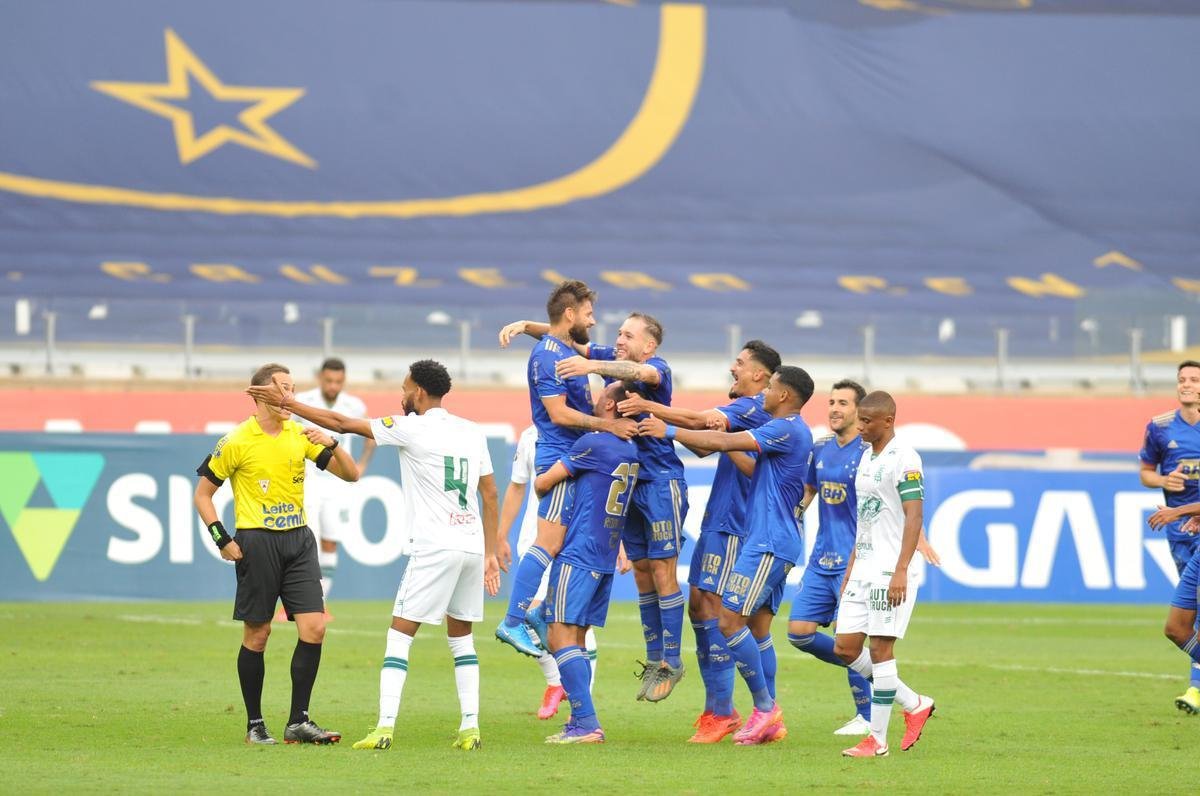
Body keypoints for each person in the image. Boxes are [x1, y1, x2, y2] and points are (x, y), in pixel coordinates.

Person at [248, 360, 501, 752]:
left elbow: (342, 423)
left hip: (435, 545)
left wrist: (288, 404)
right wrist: (490, 550)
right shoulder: (472, 431)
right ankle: (470, 728)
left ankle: (384, 728)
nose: (402, 396)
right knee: (462, 638)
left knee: (399, 636)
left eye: (404, 388)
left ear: (418, 391)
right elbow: (490, 494)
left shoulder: (411, 426)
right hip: (470, 544)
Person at [639, 365, 816, 745]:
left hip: (769, 542)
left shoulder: (785, 427)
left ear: (783, 394)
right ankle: (763, 714)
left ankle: (762, 709)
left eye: (770, 386)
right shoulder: (787, 431)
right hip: (765, 539)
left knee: (729, 620)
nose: (764, 392)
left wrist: (665, 428)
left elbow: (716, 442)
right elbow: (743, 460)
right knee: (744, 624)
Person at [617, 340, 779, 742]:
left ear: (760, 375)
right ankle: (761, 717)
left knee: (710, 605)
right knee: (747, 622)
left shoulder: (752, 406)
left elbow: (700, 420)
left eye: (740, 364)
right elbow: (708, 444)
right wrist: (672, 433)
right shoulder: (756, 413)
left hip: (734, 522)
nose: (732, 369)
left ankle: (724, 712)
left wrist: (652, 411)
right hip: (736, 520)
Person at [193, 363, 359, 746]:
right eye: (282, 389)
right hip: (257, 543)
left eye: (293, 389)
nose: (290, 397)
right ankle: (255, 724)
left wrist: (333, 443)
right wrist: (222, 538)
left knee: (314, 627)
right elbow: (203, 495)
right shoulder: (236, 441)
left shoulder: (299, 435)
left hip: (299, 541)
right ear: (258, 394)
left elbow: (351, 475)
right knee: (258, 633)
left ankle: (298, 721)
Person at [494, 281, 636, 659]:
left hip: (573, 455)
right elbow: (557, 413)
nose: (593, 320)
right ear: (571, 314)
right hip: (557, 455)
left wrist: (526, 324)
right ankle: (512, 621)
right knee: (549, 542)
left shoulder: (563, 348)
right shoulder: (545, 357)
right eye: (588, 313)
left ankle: (541, 614)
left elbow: (555, 332)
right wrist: (609, 426)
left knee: (561, 545)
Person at [556, 313, 690, 702]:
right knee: (644, 574)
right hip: (630, 483)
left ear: (648, 345)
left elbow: (639, 374)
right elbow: (573, 343)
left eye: (628, 335)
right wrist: (527, 326)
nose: (618, 338)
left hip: (661, 482)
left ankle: (673, 660)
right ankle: (654, 659)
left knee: (664, 571)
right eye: (617, 332)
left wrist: (592, 366)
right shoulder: (611, 358)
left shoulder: (656, 369)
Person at [536, 383, 641, 744]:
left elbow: (543, 483)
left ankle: (585, 722)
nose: (593, 398)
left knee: (558, 634)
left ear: (610, 405)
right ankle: (581, 721)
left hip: (579, 550)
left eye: (601, 394)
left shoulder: (593, 444)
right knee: (576, 637)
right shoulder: (631, 449)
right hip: (605, 555)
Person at [835, 391, 935, 758]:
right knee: (845, 647)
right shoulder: (865, 456)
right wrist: (850, 567)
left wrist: (901, 570)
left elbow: (914, 515)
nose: (859, 426)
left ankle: (877, 740)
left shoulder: (905, 458)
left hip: (890, 568)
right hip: (863, 565)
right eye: (858, 419)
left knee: (880, 649)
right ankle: (915, 703)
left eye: (866, 421)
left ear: (888, 421)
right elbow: (866, 519)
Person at [500, 424, 603, 719]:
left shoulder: (591, 433)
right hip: (536, 538)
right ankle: (556, 682)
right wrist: (501, 534)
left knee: (577, 622)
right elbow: (518, 485)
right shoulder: (531, 434)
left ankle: (582, 709)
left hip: (579, 537)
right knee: (532, 617)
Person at [286, 357, 375, 618]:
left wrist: (361, 466)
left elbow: (371, 437)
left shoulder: (354, 405)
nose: (333, 386)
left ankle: (321, 602)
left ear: (343, 381)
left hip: (338, 483)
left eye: (338, 381)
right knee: (306, 540)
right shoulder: (303, 402)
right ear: (320, 378)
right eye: (329, 380)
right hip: (309, 481)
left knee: (330, 542)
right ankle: (301, 600)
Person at [1139, 359, 1200, 714]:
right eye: (1182, 380)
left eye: (1194, 379)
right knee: (1182, 623)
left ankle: (1195, 690)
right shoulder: (1160, 427)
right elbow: (1146, 471)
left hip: (1185, 521)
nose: (1187, 385)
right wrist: (1164, 481)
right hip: (1180, 534)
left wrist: (1183, 509)